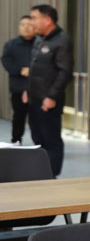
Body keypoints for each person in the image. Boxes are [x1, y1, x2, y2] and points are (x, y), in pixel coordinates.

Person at [24, 4, 73, 176]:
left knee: (51, 140)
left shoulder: (62, 40)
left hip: (49, 101)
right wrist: (27, 90)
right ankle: (41, 172)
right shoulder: (40, 39)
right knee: (37, 137)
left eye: (34, 18)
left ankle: (52, 175)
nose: (31, 22)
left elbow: (64, 72)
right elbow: (34, 68)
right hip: (34, 98)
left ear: (47, 20)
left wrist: (51, 96)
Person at [2, 15, 36, 144]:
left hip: (36, 88)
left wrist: (31, 70)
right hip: (18, 87)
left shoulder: (40, 43)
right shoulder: (11, 45)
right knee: (18, 116)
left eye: (29, 25)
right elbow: (6, 61)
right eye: (23, 25)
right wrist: (20, 70)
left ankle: (40, 143)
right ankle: (16, 140)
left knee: (37, 118)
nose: (26, 28)